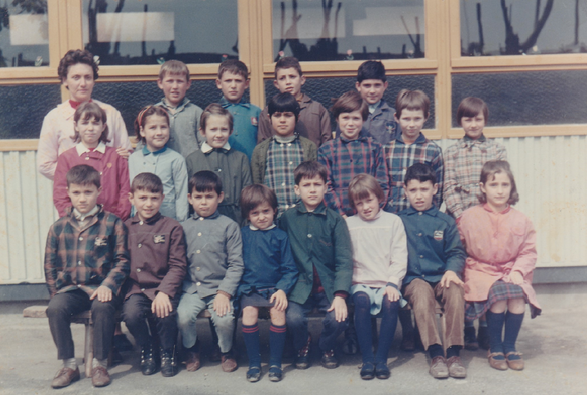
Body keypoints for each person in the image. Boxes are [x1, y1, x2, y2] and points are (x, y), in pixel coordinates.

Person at [44, 165, 129, 388]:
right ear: (68, 192)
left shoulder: (113, 223)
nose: (82, 199)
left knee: (102, 307)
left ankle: (100, 364)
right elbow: (50, 265)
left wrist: (108, 285)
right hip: (71, 289)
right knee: (55, 308)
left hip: (101, 288)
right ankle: (69, 365)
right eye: (77, 193)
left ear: (98, 191)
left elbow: (122, 261)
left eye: (88, 192)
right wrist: (55, 294)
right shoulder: (59, 228)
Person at [458, 160, 541, 371]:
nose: (500, 191)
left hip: (510, 270)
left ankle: (510, 347)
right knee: (499, 296)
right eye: (494, 185)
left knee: (516, 297)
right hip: (480, 271)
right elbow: (458, 248)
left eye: (505, 185)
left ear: (511, 187)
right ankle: (494, 348)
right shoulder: (468, 217)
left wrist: (518, 270)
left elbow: (528, 252)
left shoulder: (521, 220)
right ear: (483, 187)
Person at [444, 97, 507, 350]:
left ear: (485, 120)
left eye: (477, 119)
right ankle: (467, 326)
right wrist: (461, 217)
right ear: (460, 121)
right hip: (461, 220)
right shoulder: (452, 152)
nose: (473, 124)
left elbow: (500, 184)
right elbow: (449, 187)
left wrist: (487, 215)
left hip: (490, 219)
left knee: (487, 271)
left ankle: (485, 326)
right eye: (467, 119)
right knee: (466, 270)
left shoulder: (496, 150)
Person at [384, 89, 444, 349]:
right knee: (400, 273)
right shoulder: (387, 149)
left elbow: (438, 190)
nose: (411, 124)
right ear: (397, 118)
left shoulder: (432, 150)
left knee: (418, 274)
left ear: (425, 118)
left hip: (420, 223)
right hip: (394, 222)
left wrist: (427, 219)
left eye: (417, 119)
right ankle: (407, 330)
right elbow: (382, 185)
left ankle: (422, 330)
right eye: (406, 118)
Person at [279, 161, 353, 370]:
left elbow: (344, 261)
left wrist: (340, 296)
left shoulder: (335, 220)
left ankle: (326, 346)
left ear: (326, 187)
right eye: (306, 185)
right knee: (293, 318)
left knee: (338, 318)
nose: (312, 190)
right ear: (297, 189)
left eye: (317, 184)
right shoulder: (287, 219)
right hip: (299, 286)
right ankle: (303, 344)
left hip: (327, 286)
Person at [398, 163, 467, 379]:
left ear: (435, 188)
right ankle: (436, 353)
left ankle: (454, 353)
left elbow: (456, 252)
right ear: (405, 190)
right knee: (420, 292)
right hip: (413, 279)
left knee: (455, 290)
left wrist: (452, 271)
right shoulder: (399, 221)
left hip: (440, 276)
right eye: (413, 190)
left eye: (424, 189)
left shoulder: (445, 221)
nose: (419, 196)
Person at [177, 171, 244, 373]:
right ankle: (191, 348)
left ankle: (226, 351)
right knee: (183, 316)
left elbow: (236, 264)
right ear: (189, 198)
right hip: (192, 289)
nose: (203, 202)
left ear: (220, 197)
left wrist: (224, 293)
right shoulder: (183, 227)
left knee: (224, 319)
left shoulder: (229, 226)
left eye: (209, 197)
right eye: (198, 197)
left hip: (218, 288)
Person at [122, 173, 187, 377]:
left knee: (165, 314)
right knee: (131, 315)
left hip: (161, 286)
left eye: (154, 198)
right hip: (136, 288)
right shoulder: (124, 227)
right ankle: (147, 348)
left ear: (162, 198)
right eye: (142, 198)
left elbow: (178, 265)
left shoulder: (171, 227)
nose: (148, 204)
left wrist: (164, 292)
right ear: (131, 198)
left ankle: (168, 351)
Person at [346, 174, 407, 380]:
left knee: (391, 302)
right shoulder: (350, 224)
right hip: (361, 282)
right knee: (361, 302)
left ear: (379, 197)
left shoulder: (393, 221)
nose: (365, 207)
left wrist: (392, 282)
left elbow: (399, 256)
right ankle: (367, 359)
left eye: (369, 200)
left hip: (386, 281)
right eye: (359, 203)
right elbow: (348, 259)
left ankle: (381, 359)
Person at [38, 49, 132, 180]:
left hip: (108, 192)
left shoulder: (110, 113)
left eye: (88, 77)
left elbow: (126, 154)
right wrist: (79, 180)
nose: (83, 84)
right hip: (73, 195)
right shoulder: (54, 118)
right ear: (65, 80)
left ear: (93, 80)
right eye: (76, 77)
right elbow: (45, 164)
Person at [238, 184, 298, 382]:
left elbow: (290, 268)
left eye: (266, 211)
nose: (261, 217)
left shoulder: (281, 236)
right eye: (255, 213)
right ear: (247, 215)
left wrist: (282, 289)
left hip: (275, 288)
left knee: (278, 312)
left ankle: (275, 362)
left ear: (274, 210)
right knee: (249, 312)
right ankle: (254, 363)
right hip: (250, 288)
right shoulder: (243, 235)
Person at [53, 102, 131, 220]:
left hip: (112, 223)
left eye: (95, 123)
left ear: (103, 127)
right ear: (76, 126)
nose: (90, 128)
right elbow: (61, 195)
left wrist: (117, 221)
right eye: (84, 123)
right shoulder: (66, 158)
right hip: (79, 224)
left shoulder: (116, 156)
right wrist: (75, 220)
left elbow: (126, 192)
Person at [318, 90, 389, 218]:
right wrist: (340, 215)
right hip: (339, 218)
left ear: (363, 120)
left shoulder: (375, 148)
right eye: (345, 118)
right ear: (337, 119)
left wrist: (374, 211)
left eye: (356, 118)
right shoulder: (326, 150)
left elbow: (382, 184)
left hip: (370, 216)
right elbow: (326, 187)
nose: (350, 124)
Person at [185, 104, 252, 226]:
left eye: (224, 129)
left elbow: (248, 195)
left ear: (231, 131)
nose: (219, 135)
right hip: (202, 223)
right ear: (203, 131)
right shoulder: (192, 160)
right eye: (213, 129)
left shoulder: (240, 158)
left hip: (236, 221)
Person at [251, 92, 317, 216]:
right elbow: (257, 186)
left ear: (297, 117)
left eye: (288, 115)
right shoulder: (260, 151)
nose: (282, 120)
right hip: (272, 218)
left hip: (302, 216)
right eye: (277, 115)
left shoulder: (308, 147)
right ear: (269, 118)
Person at [129, 105, 189, 222]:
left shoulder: (176, 159)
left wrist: (181, 223)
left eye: (163, 127)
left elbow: (181, 195)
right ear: (142, 131)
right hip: (141, 221)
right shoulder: (134, 159)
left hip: (167, 220)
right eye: (153, 128)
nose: (159, 132)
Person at [257, 57, 332, 147]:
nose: (288, 82)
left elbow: (327, 145)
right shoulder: (267, 112)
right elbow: (263, 146)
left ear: (302, 79)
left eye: (292, 77)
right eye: (282, 78)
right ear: (276, 84)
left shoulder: (317, 110)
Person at [155, 60, 204, 158]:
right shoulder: (153, 112)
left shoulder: (197, 113)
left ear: (188, 84)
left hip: (190, 169)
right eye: (170, 81)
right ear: (160, 83)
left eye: (180, 81)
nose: (175, 87)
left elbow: (204, 145)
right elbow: (143, 146)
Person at [216, 59, 262, 160]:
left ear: (246, 84)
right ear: (219, 83)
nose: (233, 86)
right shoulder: (213, 112)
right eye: (228, 81)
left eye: (238, 81)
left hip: (250, 169)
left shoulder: (256, 112)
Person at [355, 60, 398, 145]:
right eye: (367, 85)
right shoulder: (349, 114)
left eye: (377, 85)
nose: (372, 91)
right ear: (358, 86)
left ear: (384, 86)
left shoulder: (394, 116)